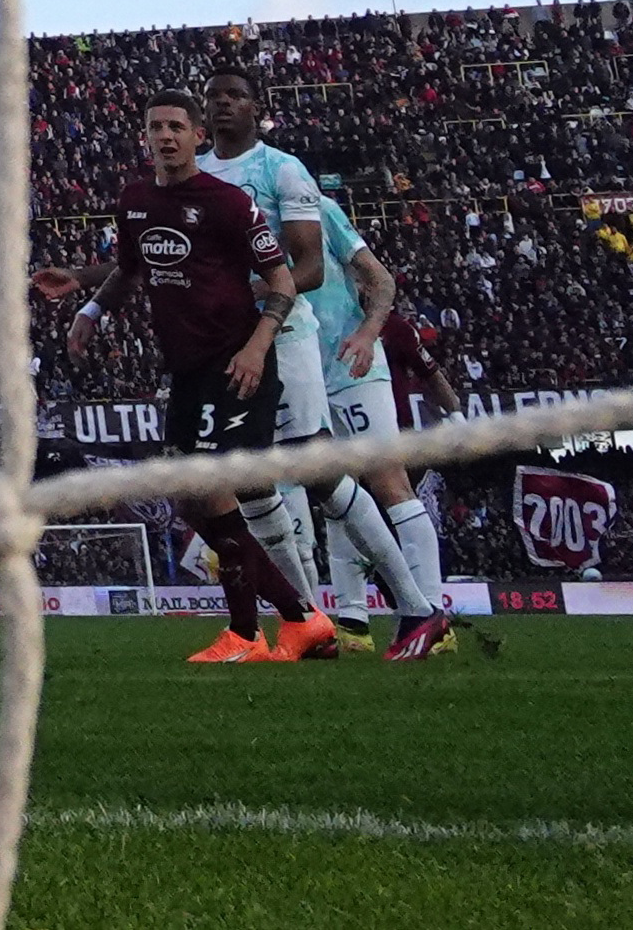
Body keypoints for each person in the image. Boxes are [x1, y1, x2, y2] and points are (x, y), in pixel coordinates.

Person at [32, 90, 340, 664]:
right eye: (156, 127)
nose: (166, 136)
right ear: (145, 135)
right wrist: (91, 311)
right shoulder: (136, 200)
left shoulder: (226, 202)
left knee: (208, 487)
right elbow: (130, 268)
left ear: (198, 135)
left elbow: (282, 279)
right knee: (194, 501)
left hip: (235, 362)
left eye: (177, 126)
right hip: (187, 368)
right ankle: (302, 621)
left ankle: (247, 634)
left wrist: (255, 347)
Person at [193, 71, 338, 627]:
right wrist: (89, 289)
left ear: (257, 106)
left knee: (319, 474)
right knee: (248, 482)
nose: (224, 103)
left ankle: (416, 606)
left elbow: (312, 267)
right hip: (225, 348)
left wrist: (259, 289)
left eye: (235, 95)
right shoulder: (197, 175)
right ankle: (308, 619)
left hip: (286, 337)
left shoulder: (281, 169)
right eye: (215, 97)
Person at [300, 188, 456, 658]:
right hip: (303, 374)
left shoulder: (318, 211)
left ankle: (431, 616)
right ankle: (352, 621)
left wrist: (368, 332)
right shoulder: (241, 216)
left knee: (390, 486)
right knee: (333, 496)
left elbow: (381, 280)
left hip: (353, 370)